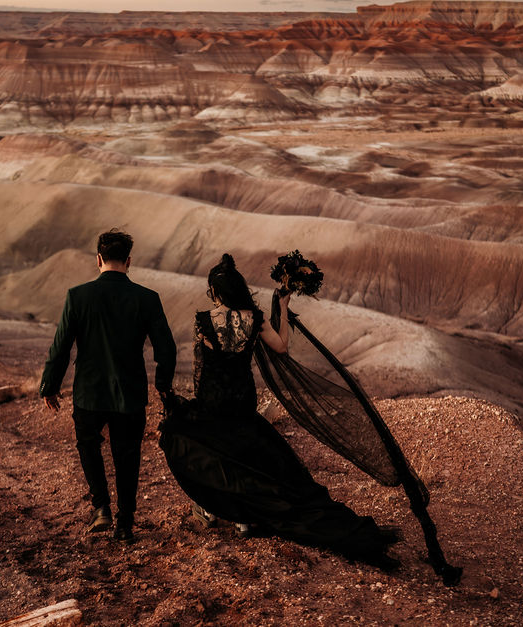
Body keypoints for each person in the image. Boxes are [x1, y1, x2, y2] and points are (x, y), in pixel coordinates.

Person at [158, 254, 399, 568]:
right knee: (259, 461)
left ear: (216, 294)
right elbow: (282, 346)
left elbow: (200, 368)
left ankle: (234, 514)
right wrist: (282, 308)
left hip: (213, 401)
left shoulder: (203, 320)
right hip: (242, 401)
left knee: (205, 451)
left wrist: (197, 404)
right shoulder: (254, 319)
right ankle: (248, 519)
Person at [40, 229, 176, 543]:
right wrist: (163, 385)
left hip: (89, 391)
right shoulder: (147, 298)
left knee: (88, 446)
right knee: (127, 457)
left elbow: (61, 346)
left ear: (98, 260)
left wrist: (50, 385)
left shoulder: (78, 296)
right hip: (130, 393)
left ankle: (101, 507)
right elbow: (166, 349)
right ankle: (125, 523)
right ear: (129, 261)